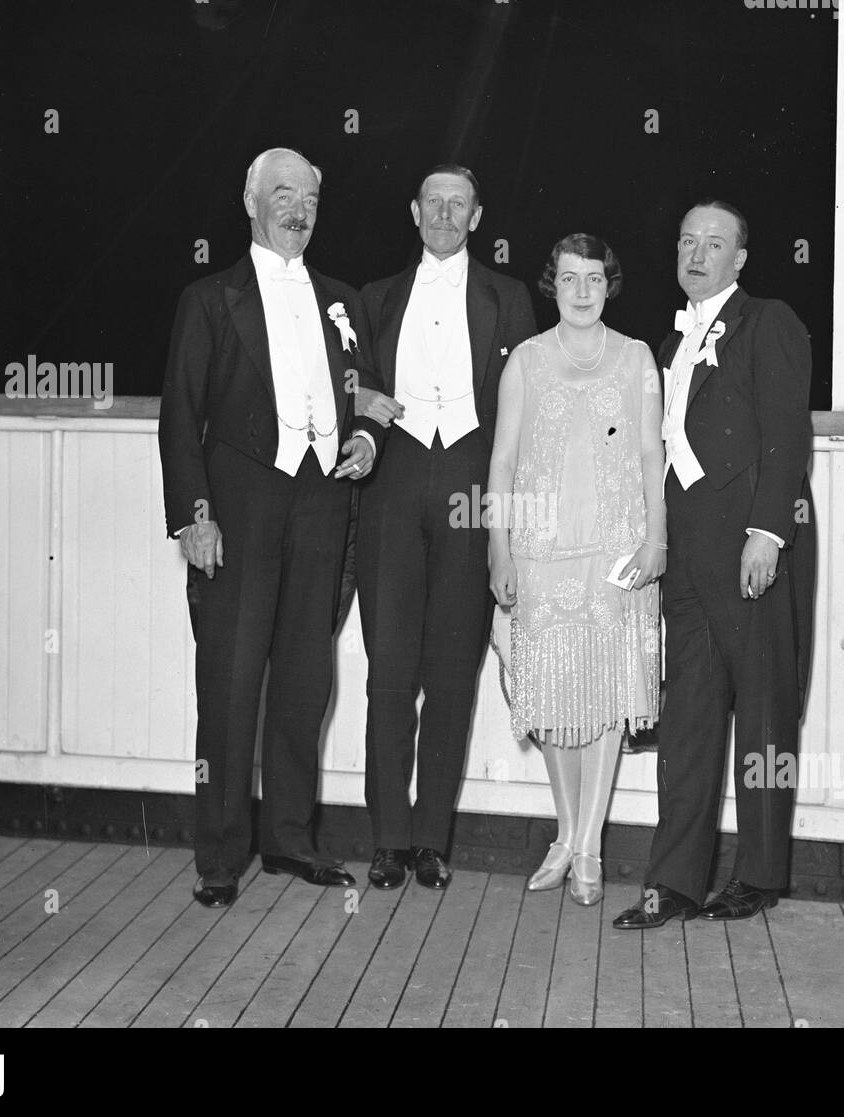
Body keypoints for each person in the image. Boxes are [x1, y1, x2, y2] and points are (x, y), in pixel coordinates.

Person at [158, 147, 386, 908]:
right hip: (241, 507)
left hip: (322, 503)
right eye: (283, 193)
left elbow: (368, 396)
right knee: (228, 684)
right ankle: (220, 856)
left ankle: (291, 838)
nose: (298, 208)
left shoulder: (343, 299)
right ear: (250, 201)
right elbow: (178, 419)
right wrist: (195, 519)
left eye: (311, 197)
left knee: (302, 679)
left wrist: (366, 437)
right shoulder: (209, 298)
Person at [613, 200, 816, 930]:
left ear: (740, 260)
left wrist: (767, 533)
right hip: (690, 553)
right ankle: (675, 880)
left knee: (763, 710)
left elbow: (788, 434)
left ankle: (760, 873)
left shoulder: (769, 321)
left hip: (754, 542)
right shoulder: (669, 341)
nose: (697, 254)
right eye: (687, 241)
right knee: (690, 716)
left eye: (715, 244)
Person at [355, 164, 536, 890]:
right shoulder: (373, 299)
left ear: (477, 216)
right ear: (414, 210)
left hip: (473, 483)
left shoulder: (510, 298)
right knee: (389, 674)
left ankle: (432, 838)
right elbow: (348, 388)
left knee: (454, 675)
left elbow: (522, 420)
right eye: (433, 201)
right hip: (394, 485)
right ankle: (387, 838)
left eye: (457, 204)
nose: (444, 213)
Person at [487, 234, 664, 906]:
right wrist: (497, 546)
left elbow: (652, 453)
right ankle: (564, 833)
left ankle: (589, 845)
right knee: (554, 702)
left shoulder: (637, 358)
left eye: (594, 278)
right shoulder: (526, 361)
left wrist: (657, 539)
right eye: (569, 279)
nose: (582, 291)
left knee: (607, 698)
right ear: (551, 285)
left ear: (609, 284)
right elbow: (502, 461)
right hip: (541, 549)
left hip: (617, 550)